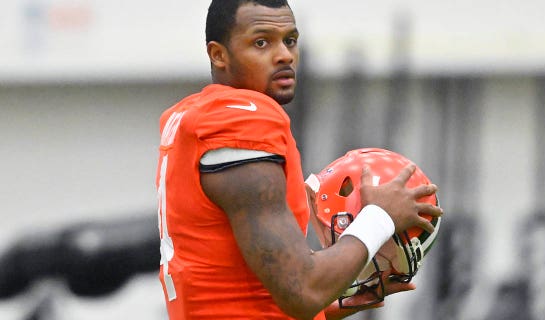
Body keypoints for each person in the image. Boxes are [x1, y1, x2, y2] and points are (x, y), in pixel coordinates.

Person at [155, 1, 443, 319]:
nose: (284, 55)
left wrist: (334, 301)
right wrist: (379, 217)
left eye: (290, 40)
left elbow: (250, 292)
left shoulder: (193, 116)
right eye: (261, 42)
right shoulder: (242, 121)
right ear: (218, 54)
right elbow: (301, 290)